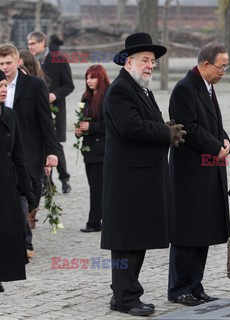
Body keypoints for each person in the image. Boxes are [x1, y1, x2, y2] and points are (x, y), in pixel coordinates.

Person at [101, 32, 186, 316]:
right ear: (128, 61)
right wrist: (165, 132)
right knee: (126, 242)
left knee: (136, 239)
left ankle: (124, 294)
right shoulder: (121, 89)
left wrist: (166, 127)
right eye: (145, 60)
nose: (150, 65)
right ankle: (126, 298)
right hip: (127, 180)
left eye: (153, 61)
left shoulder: (142, 89)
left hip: (141, 178)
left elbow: (146, 123)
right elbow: (131, 127)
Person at [168, 42, 230, 306]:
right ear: (206, 64)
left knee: (203, 229)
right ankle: (179, 288)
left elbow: (215, 124)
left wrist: (226, 141)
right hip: (190, 173)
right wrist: (216, 147)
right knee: (187, 231)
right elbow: (190, 128)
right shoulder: (184, 89)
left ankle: (195, 284)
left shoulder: (208, 88)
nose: (224, 71)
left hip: (209, 169)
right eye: (221, 66)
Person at [0, 44, 58, 258]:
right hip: (5, 153)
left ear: (18, 61)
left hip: (30, 151)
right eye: (1, 64)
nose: (5, 67)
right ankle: (24, 243)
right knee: (15, 199)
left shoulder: (34, 85)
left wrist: (52, 152)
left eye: (8, 63)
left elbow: (45, 121)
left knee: (28, 196)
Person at [0, 70, 36, 293]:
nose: (4, 89)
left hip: (6, 184)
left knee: (6, 232)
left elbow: (19, 155)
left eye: (5, 85)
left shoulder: (10, 115)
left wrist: (27, 188)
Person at [28, 31, 74, 193]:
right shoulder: (29, 62)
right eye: (28, 44)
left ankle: (64, 179)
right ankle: (47, 182)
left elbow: (69, 85)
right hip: (36, 111)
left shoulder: (58, 59)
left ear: (42, 43)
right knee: (41, 145)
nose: (30, 46)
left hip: (55, 109)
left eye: (33, 43)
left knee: (55, 146)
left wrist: (54, 95)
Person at [75, 65, 110, 233]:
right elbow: (81, 120)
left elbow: (109, 125)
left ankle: (94, 221)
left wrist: (91, 126)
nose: (89, 81)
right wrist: (79, 130)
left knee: (98, 187)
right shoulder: (86, 98)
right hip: (89, 150)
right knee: (94, 186)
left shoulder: (107, 97)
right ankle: (101, 219)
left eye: (93, 77)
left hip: (102, 150)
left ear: (101, 78)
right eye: (87, 77)